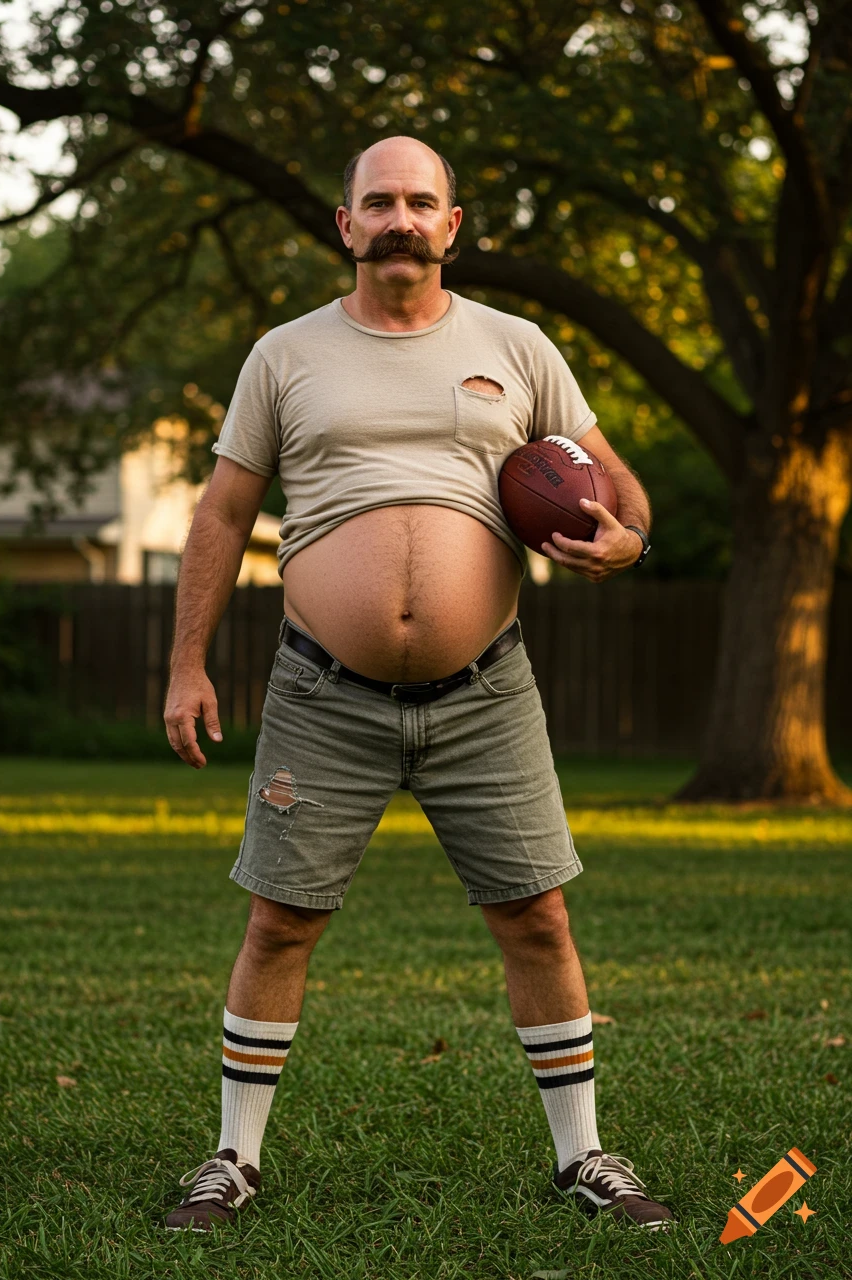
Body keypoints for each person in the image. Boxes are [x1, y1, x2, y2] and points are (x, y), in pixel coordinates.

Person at [162, 136, 670, 1233]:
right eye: (379, 200)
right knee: (280, 922)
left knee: (537, 915)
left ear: (451, 225)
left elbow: (617, 484)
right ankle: (233, 1159)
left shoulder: (516, 344)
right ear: (345, 223)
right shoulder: (284, 354)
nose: (400, 218)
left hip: (486, 691)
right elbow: (222, 511)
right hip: (321, 692)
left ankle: (583, 1156)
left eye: (421, 201)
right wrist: (186, 663)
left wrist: (628, 540)